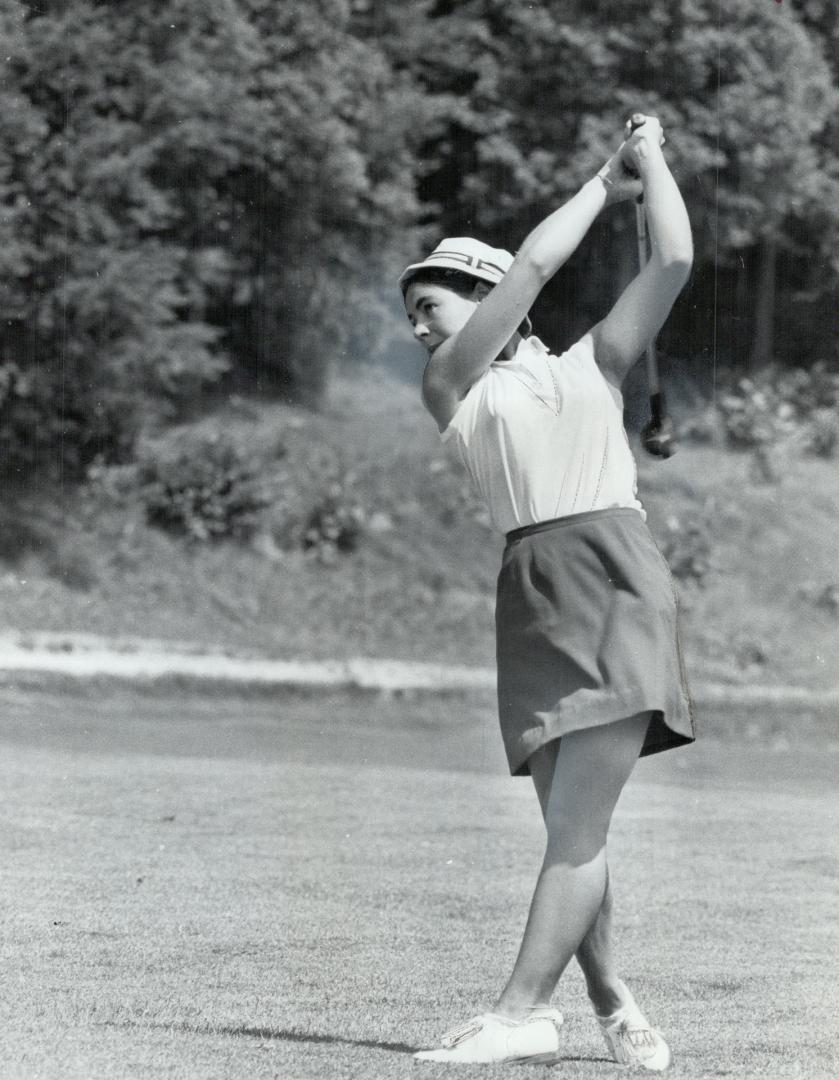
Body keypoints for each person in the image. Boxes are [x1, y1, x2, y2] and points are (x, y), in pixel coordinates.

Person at [399, 114, 695, 1070]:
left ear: (479, 297)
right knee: (574, 828)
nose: (418, 329)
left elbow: (676, 257)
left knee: (577, 827)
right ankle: (613, 1005)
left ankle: (523, 1011)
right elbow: (528, 271)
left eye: (430, 305)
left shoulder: (594, 365)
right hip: (531, 591)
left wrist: (641, 170)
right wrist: (605, 180)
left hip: (612, 579)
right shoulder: (453, 385)